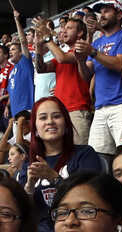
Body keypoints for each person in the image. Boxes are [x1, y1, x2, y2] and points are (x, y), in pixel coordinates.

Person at [20, 96, 105, 232]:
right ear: (35, 129)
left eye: (56, 116)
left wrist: (54, 178)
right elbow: (23, 210)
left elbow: (91, 196)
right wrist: (30, 185)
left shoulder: (85, 154)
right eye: (43, 117)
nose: (50, 121)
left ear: (66, 124)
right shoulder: (28, 165)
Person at [79, 0, 122, 159]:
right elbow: (86, 75)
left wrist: (92, 52)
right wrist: (80, 59)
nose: (102, 15)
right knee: (97, 158)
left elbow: (120, 64)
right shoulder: (97, 42)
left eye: (107, 11)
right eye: (101, 12)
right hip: (100, 108)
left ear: (119, 15)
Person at [33, 15, 94, 145]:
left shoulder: (81, 49)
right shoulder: (63, 53)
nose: (64, 31)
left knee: (80, 153)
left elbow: (62, 58)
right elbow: (41, 68)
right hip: (61, 112)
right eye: (64, 28)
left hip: (77, 110)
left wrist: (48, 38)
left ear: (80, 33)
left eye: (69, 28)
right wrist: (38, 48)